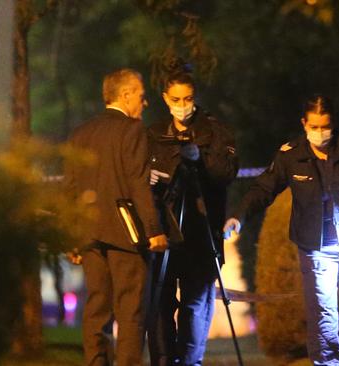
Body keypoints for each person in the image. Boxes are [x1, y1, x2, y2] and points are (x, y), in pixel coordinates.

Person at [224, 95, 339, 366]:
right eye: (315, 127)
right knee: (322, 313)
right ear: (304, 124)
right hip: (316, 243)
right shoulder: (291, 155)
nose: (321, 133)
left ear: (333, 123)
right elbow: (264, 188)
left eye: (326, 126)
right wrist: (239, 216)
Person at [64, 68, 168, 366]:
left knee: (96, 309)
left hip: (88, 235)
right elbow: (138, 182)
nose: (144, 103)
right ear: (125, 95)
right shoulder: (133, 131)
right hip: (126, 236)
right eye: (141, 95)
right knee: (130, 311)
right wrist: (154, 229)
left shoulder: (80, 133)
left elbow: (69, 188)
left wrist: (71, 236)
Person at [146, 61, 238, 366]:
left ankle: (189, 362)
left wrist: (201, 160)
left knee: (195, 306)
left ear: (194, 96)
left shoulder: (215, 131)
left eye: (187, 99)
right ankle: (164, 359)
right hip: (165, 230)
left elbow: (226, 174)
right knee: (160, 303)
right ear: (165, 98)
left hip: (202, 233)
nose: (182, 107)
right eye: (175, 100)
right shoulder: (154, 133)